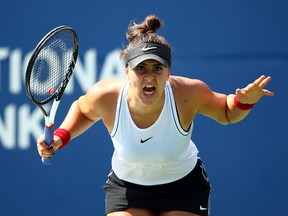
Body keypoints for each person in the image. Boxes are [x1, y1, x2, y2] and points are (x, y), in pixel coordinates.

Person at [37, 15, 274, 216]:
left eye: (157, 68)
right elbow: (82, 110)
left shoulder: (187, 93)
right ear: (127, 71)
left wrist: (243, 102)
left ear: (169, 71)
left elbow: (226, 112)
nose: (149, 77)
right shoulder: (106, 96)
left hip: (184, 188)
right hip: (127, 189)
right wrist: (60, 137)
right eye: (141, 68)